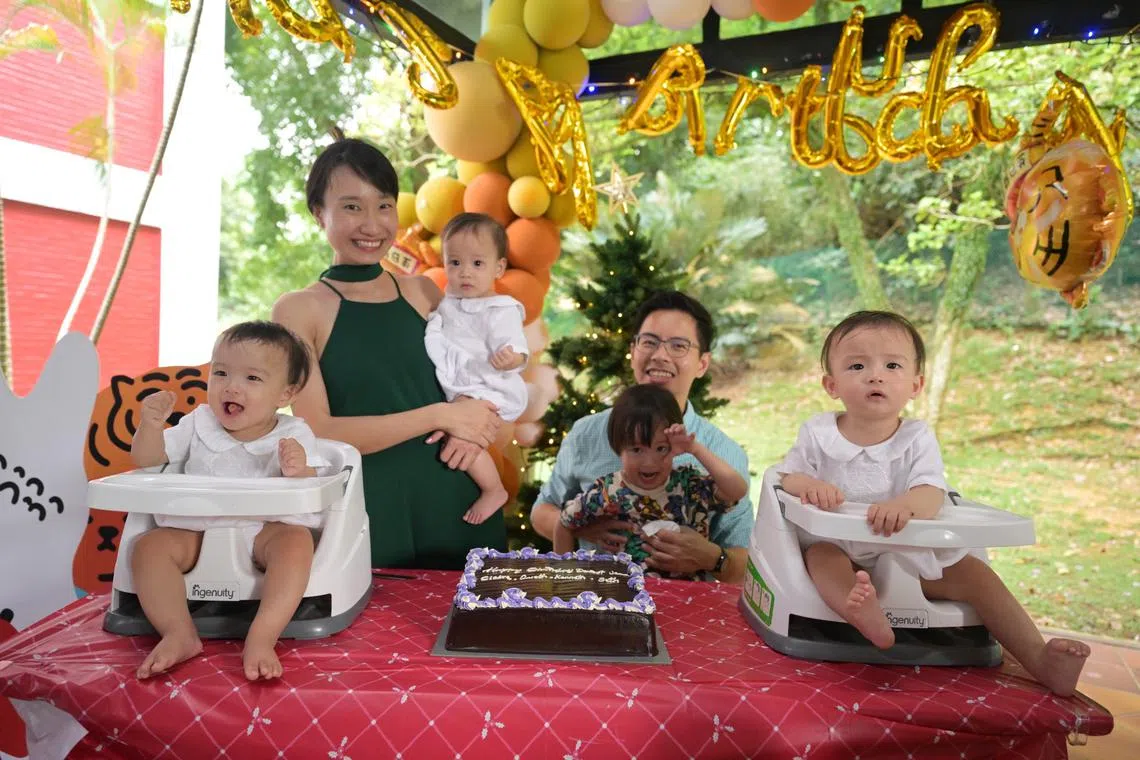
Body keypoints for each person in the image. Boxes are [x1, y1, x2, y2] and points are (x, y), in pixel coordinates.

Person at [778, 310, 1090, 696]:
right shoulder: (818, 432)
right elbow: (786, 476)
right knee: (821, 557)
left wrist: (906, 506)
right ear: (831, 384)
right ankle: (861, 612)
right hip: (841, 547)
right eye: (857, 365)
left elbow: (931, 492)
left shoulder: (916, 437)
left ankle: (1041, 659)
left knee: (978, 575)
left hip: (906, 550)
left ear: (915, 384)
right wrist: (809, 484)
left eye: (892, 365)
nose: (875, 375)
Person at [272, 134, 506, 571]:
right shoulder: (299, 309)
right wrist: (440, 416)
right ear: (318, 213)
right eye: (351, 206)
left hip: (462, 506)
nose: (373, 224)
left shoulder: (423, 292)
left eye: (384, 205)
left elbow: (485, 374)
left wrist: (472, 418)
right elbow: (317, 430)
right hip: (368, 516)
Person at [129, 321, 328, 681]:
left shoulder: (293, 432)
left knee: (296, 543)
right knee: (149, 547)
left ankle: (263, 635)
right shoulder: (198, 423)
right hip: (197, 530)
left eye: (252, 378)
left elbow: (310, 483)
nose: (231, 386)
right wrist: (151, 426)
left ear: (285, 394)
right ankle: (179, 632)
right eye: (220, 372)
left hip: (264, 531)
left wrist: (297, 468)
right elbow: (148, 461)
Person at [531, 291, 754, 583]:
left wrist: (713, 558)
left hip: (684, 608)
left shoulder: (722, 455)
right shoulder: (586, 433)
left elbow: (747, 560)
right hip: (603, 597)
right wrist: (581, 529)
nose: (660, 355)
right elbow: (542, 511)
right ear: (633, 350)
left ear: (702, 363)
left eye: (679, 346)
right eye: (649, 342)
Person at [553, 384, 748, 580]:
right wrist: (565, 580)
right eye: (637, 450)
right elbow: (564, 524)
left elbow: (737, 490)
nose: (649, 462)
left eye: (661, 448)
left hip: (687, 601)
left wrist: (695, 449)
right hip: (627, 600)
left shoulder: (689, 484)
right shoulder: (606, 491)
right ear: (618, 447)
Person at [424, 213, 528, 525]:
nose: (464, 272)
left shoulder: (501, 309)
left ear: (499, 267)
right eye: (454, 263)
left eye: (477, 264)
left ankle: (494, 489)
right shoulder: (449, 301)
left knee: (465, 436)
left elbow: (518, 347)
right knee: (453, 430)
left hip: (491, 384)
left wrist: (513, 359)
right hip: (464, 382)